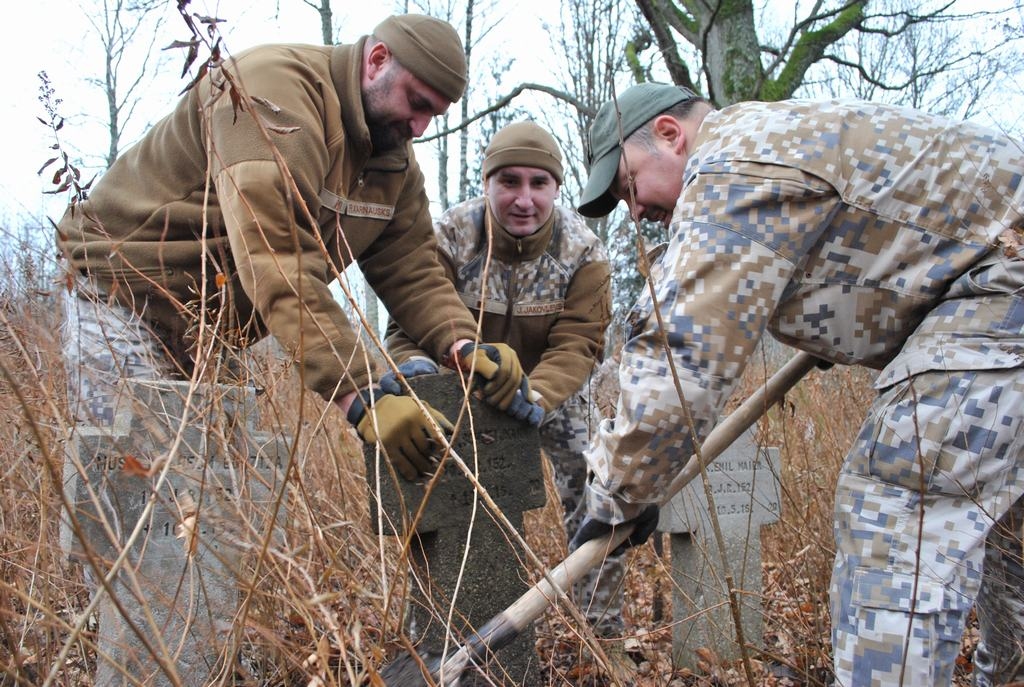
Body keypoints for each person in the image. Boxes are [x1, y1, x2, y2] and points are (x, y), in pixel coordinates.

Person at [569, 82, 1024, 687]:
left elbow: (682, 356)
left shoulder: (732, 162)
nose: (636, 211)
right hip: (994, 282)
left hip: (1005, 289)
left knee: (898, 508)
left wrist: (616, 493)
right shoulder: (782, 141)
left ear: (671, 137)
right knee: (1007, 529)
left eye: (628, 186)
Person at [57, 14, 531, 477]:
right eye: (417, 103)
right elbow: (276, 258)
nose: (421, 127)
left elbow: (412, 267)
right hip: (123, 299)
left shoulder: (392, 164)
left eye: (435, 114)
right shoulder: (272, 96)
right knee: (134, 484)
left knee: (222, 497)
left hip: (206, 335)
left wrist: (463, 343)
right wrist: (363, 394)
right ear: (377, 60)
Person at [383, 121, 628, 637]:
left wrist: (536, 396)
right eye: (508, 181)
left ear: (557, 189)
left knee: (597, 484)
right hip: (460, 384)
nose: (523, 199)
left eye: (539, 183)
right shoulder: (451, 235)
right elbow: (407, 326)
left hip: (554, 391)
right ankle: (432, 628)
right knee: (436, 494)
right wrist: (422, 380)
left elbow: (580, 341)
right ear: (487, 182)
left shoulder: (583, 253)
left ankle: (602, 633)